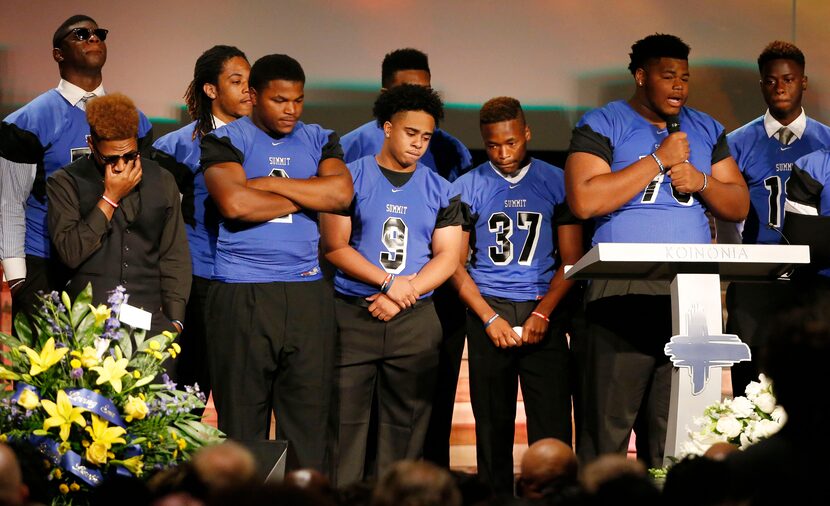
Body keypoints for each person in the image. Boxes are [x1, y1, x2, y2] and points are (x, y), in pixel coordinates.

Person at [564, 33, 749, 468]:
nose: (679, 86)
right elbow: (585, 199)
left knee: (676, 434)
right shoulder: (603, 123)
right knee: (606, 432)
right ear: (641, 76)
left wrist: (702, 182)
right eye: (668, 76)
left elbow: (738, 203)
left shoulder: (705, 128)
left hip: (690, 295)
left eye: (684, 77)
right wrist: (658, 160)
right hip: (620, 294)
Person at [200, 53, 353, 471]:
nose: (291, 110)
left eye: (298, 100)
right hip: (241, 291)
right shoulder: (226, 139)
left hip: (307, 293)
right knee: (244, 429)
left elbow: (340, 195)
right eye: (280, 100)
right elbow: (233, 203)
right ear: (253, 96)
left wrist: (265, 184)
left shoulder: (321, 137)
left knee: (308, 426)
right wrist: (308, 194)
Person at [321, 84, 462, 484]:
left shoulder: (440, 188)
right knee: (343, 433)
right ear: (386, 128)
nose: (418, 144)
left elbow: (449, 256)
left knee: (405, 433)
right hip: (354, 315)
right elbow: (334, 246)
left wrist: (403, 294)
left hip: (414, 322)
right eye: (410, 133)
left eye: (426, 137)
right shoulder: (349, 177)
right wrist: (388, 284)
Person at [451, 97, 582, 494]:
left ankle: (556, 498)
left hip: (544, 306)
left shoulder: (556, 180)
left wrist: (543, 313)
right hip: (488, 307)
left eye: (511, 142)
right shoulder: (466, 187)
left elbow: (572, 259)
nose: (504, 153)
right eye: (493, 145)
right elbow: (453, 264)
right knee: (492, 424)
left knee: (553, 423)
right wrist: (489, 318)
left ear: (526, 133)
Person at [0, 14, 153, 320]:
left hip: (113, 263)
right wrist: (18, 277)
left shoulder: (134, 121)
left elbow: (144, 198)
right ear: (58, 53)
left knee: (112, 366)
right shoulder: (28, 123)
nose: (93, 38)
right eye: (81, 34)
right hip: (47, 261)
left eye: (99, 33)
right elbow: (10, 202)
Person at [719, 41, 830, 397]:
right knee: (750, 380)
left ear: (804, 82)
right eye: (771, 81)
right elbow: (724, 212)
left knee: (811, 376)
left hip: (814, 278)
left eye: (788, 79)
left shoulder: (827, 142)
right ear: (762, 84)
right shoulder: (735, 143)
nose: (780, 88)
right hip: (756, 279)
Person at [150, 45, 251, 397]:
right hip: (201, 278)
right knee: (190, 387)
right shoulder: (176, 147)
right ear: (210, 90)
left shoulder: (267, 144)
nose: (247, 90)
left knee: (241, 391)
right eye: (236, 81)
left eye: (250, 82)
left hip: (253, 280)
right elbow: (158, 221)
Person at [46, 93, 190, 334]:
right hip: (87, 322)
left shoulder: (163, 180)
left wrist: (175, 320)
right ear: (92, 145)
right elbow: (70, 253)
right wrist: (110, 198)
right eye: (111, 158)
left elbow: (174, 254)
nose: (121, 166)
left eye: (130, 156)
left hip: (150, 322)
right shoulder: (64, 182)